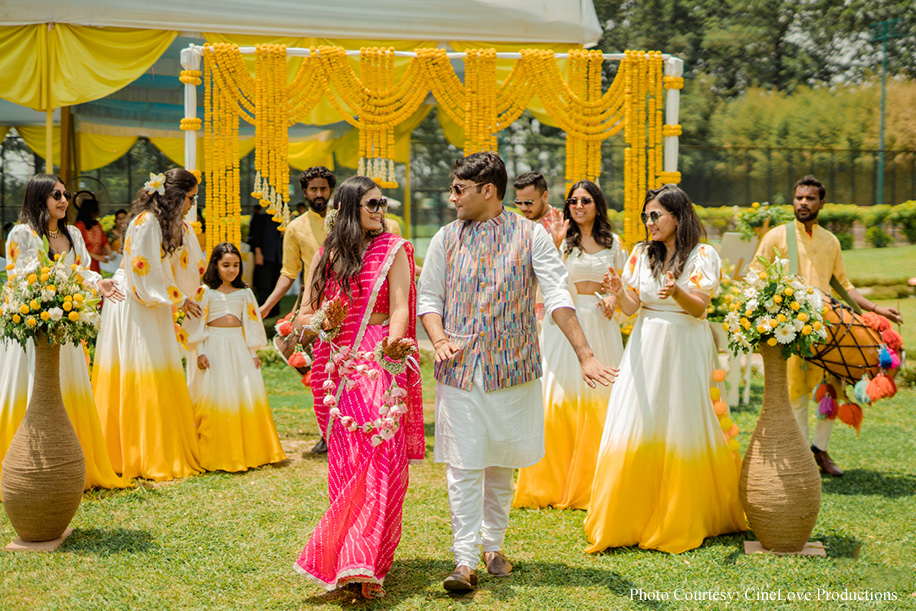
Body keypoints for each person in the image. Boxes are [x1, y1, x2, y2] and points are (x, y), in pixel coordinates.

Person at [418, 152, 616, 591]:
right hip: (461, 370)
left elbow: (559, 296)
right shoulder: (445, 239)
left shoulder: (531, 237)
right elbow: (428, 298)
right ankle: (464, 559)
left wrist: (585, 354)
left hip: (513, 369)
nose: (452, 198)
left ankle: (494, 546)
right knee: (464, 465)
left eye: (458, 190)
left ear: (487, 191)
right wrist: (439, 338)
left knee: (502, 464)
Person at [584, 184, 745, 554]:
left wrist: (676, 292)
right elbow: (630, 307)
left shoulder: (703, 255)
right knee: (639, 418)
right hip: (646, 342)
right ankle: (628, 515)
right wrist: (617, 290)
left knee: (681, 421)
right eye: (646, 216)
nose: (649, 222)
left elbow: (698, 307)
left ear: (679, 216)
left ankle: (679, 513)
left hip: (685, 342)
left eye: (655, 215)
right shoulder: (641, 254)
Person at [293, 176, 423, 599]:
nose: (379, 209)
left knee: (384, 458)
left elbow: (401, 305)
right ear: (350, 205)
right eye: (371, 203)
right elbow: (307, 315)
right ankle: (350, 560)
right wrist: (319, 325)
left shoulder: (395, 249)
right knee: (348, 463)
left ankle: (368, 562)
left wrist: (390, 353)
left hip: (381, 361)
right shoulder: (328, 254)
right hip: (340, 366)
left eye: (382, 203)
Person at [752, 175, 904, 477]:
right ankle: (798, 457)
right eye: (799, 197)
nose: (803, 203)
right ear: (793, 201)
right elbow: (756, 277)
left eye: (810, 198)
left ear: (821, 203)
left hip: (828, 331)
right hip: (790, 331)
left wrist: (874, 309)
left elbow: (843, 285)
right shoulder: (777, 237)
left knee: (829, 394)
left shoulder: (830, 241)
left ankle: (819, 452)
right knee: (795, 395)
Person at [0, 174, 127, 490]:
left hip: (66, 330)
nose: (63, 200)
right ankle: (24, 471)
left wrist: (98, 283)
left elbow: (82, 271)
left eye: (65, 194)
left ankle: (71, 467)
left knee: (70, 389)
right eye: (55, 194)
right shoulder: (21, 234)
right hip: (33, 332)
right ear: (38, 197)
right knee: (30, 392)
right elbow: (17, 280)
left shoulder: (73, 234)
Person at [513, 180, 627, 511]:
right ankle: (551, 482)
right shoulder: (560, 241)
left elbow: (622, 285)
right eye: (573, 201)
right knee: (559, 398)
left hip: (601, 327)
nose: (578, 206)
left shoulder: (613, 242)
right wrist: (556, 244)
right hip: (567, 326)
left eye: (586, 200)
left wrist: (609, 297)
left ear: (597, 204)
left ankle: (593, 483)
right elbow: (548, 284)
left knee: (599, 398)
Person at [107, 168, 204, 481]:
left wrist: (182, 295)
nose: (192, 204)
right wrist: (179, 298)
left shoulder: (168, 222)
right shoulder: (147, 222)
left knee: (158, 367)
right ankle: (139, 452)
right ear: (176, 196)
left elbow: (184, 262)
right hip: (136, 301)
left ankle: (154, 446)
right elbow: (145, 272)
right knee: (143, 368)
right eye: (190, 198)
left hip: (155, 299)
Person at [183, 242, 285, 472]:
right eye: (225, 265)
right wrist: (200, 352)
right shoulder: (204, 292)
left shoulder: (245, 292)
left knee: (244, 395)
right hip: (213, 346)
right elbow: (195, 324)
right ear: (215, 265)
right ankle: (216, 450)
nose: (231, 270)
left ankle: (250, 449)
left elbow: (251, 322)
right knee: (217, 394)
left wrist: (252, 352)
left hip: (238, 347)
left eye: (236, 265)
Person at [247, 204, 283, 318]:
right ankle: (263, 311)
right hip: (264, 256)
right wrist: (258, 253)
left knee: (275, 285)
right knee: (264, 285)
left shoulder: (282, 221)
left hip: (278, 257)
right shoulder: (261, 218)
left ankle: (274, 312)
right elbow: (256, 237)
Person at [74, 198, 111, 273]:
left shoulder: (96, 224)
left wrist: (109, 251)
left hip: (98, 264)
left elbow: (104, 240)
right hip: (85, 263)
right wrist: (97, 257)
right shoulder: (79, 226)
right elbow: (80, 247)